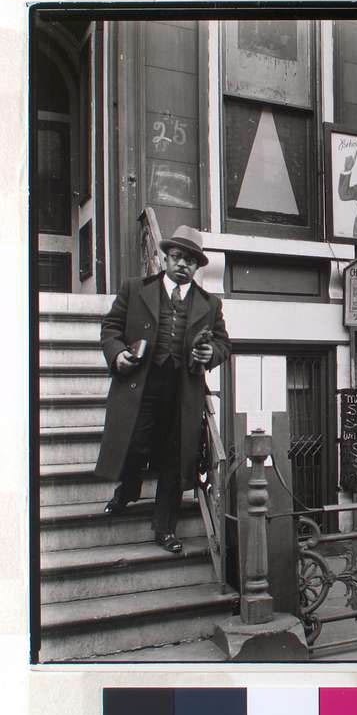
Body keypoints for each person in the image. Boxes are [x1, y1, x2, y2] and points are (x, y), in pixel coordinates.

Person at [95, 225, 231, 553]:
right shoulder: (135, 289)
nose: (183, 264)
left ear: (198, 266)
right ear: (166, 258)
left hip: (183, 391)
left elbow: (224, 343)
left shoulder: (209, 304)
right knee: (134, 444)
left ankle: (165, 527)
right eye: (178, 257)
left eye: (191, 260)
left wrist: (209, 353)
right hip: (140, 385)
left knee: (174, 457)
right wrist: (117, 354)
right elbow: (110, 327)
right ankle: (126, 491)